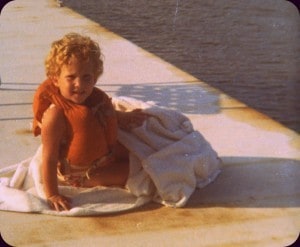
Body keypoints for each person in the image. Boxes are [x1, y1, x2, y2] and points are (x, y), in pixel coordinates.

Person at [32, 33, 147, 212]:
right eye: (71, 77)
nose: (80, 84)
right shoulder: (55, 116)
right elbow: (49, 158)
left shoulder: (92, 97)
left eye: (87, 77)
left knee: (147, 152)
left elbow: (99, 113)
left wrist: (121, 116)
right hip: (83, 173)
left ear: (95, 76)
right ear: (55, 79)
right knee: (142, 173)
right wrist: (52, 194)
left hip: (105, 156)